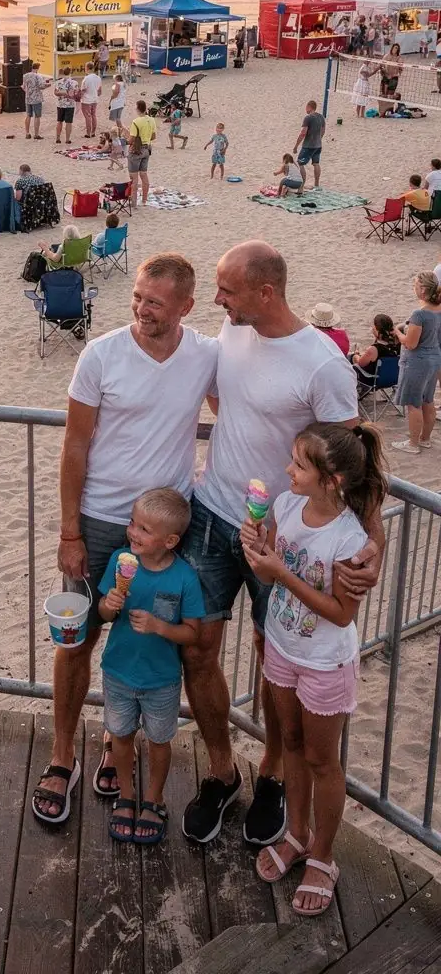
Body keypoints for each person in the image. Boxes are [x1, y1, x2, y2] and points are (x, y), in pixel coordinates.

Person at [180, 241, 382, 848]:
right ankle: (222, 772)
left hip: (284, 538)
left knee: (275, 655)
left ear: (265, 292)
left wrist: (372, 539)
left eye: (227, 289)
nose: (217, 299)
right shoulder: (234, 328)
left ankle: (269, 774)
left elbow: (353, 460)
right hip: (214, 514)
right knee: (198, 648)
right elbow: (227, 399)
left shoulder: (323, 365)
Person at [31, 253, 218, 825]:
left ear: (186, 306)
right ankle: (63, 755)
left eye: (154, 302)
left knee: (149, 639)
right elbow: (74, 445)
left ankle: (119, 749)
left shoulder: (206, 356)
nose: (141, 309)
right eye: (137, 296)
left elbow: (236, 414)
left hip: (165, 530)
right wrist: (69, 530)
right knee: (78, 639)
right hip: (99, 519)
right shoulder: (102, 353)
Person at [242, 422, 386, 915]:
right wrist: (258, 545)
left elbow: (342, 613)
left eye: (299, 465)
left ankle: (323, 856)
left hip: (325, 662)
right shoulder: (286, 505)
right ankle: (296, 833)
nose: (288, 470)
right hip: (283, 645)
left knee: (323, 761)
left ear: (332, 481)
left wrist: (280, 573)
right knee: (292, 743)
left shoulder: (349, 538)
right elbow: (271, 562)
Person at [99, 489, 204, 845]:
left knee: (160, 740)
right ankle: (126, 794)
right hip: (118, 671)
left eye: (144, 529)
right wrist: (110, 604)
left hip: (161, 679)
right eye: (132, 523)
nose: (132, 532)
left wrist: (160, 627)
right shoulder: (120, 561)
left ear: (170, 541)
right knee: (120, 735)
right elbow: (103, 613)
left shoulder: (184, 578)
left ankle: (154, 798)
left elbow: (192, 633)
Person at [391, 272, 441, 455]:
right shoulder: (438, 309)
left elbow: (411, 344)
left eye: (416, 285)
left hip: (418, 362)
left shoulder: (419, 314)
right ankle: (425, 439)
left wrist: (398, 332)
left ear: (423, 289)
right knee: (428, 400)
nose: (414, 288)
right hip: (434, 359)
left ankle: (413, 443)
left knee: (414, 403)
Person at [351, 315, 399, 389]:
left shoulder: (374, 349)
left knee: (351, 357)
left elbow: (360, 364)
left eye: (373, 326)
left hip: (373, 380)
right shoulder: (397, 345)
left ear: (377, 330)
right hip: (392, 379)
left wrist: (355, 355)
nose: (372, 328)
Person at [128, 99, 157, 209]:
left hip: (137, 150)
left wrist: (125, 140)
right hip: (147, 149)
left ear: (137, 108)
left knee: (134, 178)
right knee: (144, 174)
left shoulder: (136, 122)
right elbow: (153, 136)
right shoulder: (151, 120)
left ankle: (134, 203)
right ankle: (144, 200)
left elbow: (131, 139)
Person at [294, 101, 326, 190]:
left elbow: (303, 133)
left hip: (308, 145)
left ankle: (302, 185)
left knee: (300, 163)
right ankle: (316, 184)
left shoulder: (308, 118)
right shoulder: (321, 117)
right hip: (318, 145)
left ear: (309, 106)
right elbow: (323, 131)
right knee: (316, 163)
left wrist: (296, 146)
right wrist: (319, 139)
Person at [22, 61, 50, 140]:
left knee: (28, 115)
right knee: (37, 116)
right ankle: (36, 134)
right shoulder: (38, 76)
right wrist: (48, 85)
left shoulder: (25, 76)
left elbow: (23, 87)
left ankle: (27, 133)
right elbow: (41, 86)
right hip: (36, 98)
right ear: (38, 68)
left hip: (28, 98)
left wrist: (28, 92)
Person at [54, 67, 81, 145]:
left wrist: (62, 93)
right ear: (70, 72)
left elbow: (55, 93)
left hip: (60, 104)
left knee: (59, 121)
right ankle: (67, 139)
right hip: (70, 105)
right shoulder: (74, 83)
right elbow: (77, 94)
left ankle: (58, 138)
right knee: (69, 122)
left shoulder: (58, 82)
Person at [80, 62, 103, 138]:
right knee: (93, 115)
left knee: (88, 116)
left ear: (87, 68)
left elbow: (83, 90)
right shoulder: (98, 78)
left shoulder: (86, 79)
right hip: (95, 99)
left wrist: (78, 97)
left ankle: (88, 133)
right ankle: (93, 132)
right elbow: (100, 91)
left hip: (86, 100)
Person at [378, 44, 402, 114]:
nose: (395, 49)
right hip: (386, 76)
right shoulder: (387, 56)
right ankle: (382, 111)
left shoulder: (399, 58)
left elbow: (401, 69)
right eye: (394, 48)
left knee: (390, 95)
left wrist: (396, 74)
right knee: (383, 95)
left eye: (397, 48)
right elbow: (381, 65)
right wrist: (384, 72)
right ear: (392, 48)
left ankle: (389, 111)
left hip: (394, 78)